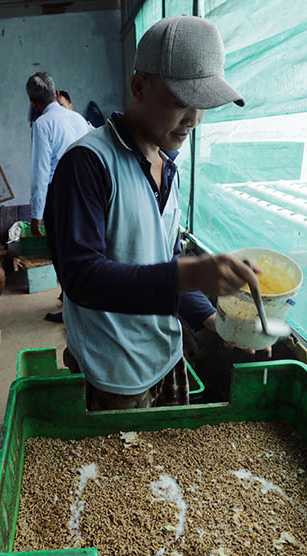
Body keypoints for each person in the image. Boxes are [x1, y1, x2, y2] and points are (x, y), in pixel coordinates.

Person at [44, 16, 262, 411]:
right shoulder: (88, 164)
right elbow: (80, 277)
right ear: (139, 86)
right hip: (114, 376)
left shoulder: (169, 165)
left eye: (203, 105)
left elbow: (165, 262)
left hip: (165, 356)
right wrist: (193, 273)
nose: (194, 119)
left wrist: (213, 321)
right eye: (181, 100)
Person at [26, 72, 92, 237]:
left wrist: (36, 216)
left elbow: (41, 174)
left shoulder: (41, 125)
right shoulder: (79, 119)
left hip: (59, 196)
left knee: (62, 250)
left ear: (33, 103)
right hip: (86, 193)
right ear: (56, 94)